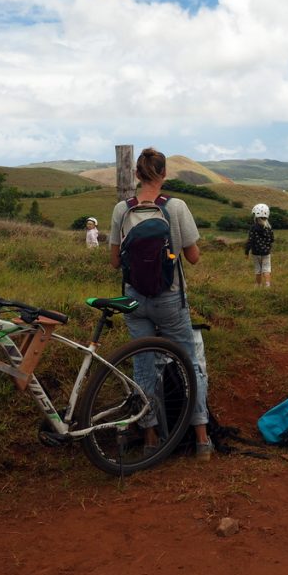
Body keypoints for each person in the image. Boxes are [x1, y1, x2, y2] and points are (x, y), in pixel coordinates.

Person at [108, 148, 212, 459]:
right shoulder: (176, 207)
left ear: (137, 176)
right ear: (164, 175)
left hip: (133, 299)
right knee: (188, 363)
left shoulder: (121, 210)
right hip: (169, 297)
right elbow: (193, 258)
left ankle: (151, 437)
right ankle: (202, 439)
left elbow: (114, 262)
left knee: (143, 367)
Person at [244, 203, 274, 288]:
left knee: (258, 270)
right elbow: (272, 239)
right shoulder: (269, 228)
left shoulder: (253, 228)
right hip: (266, 253)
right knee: (267, 269)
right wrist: (267, 246)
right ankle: (268, 285)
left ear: (255, 216)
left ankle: (258, 285)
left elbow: (250, 241)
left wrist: (246, 252)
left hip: (256, 253)